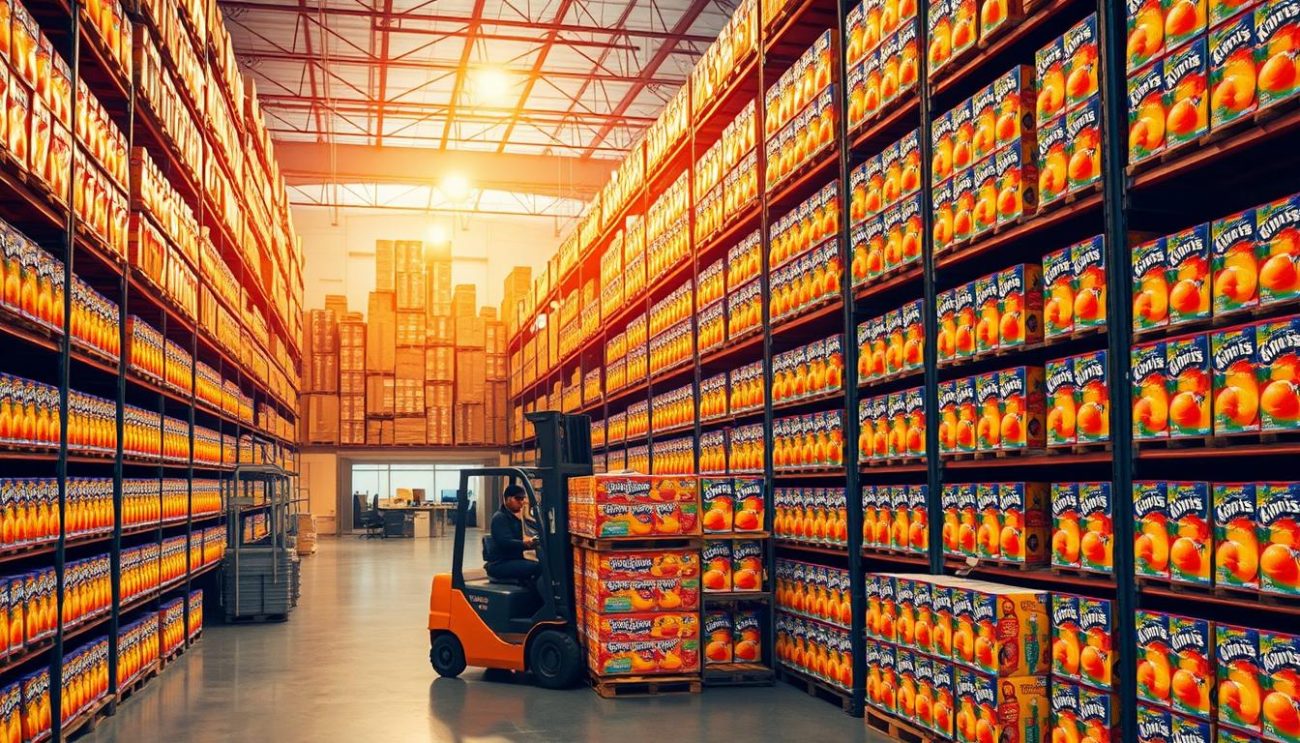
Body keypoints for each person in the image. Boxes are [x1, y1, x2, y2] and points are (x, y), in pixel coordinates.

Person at [486, 485, 541, 585]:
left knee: (542, 566)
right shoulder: (500, 518)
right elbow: (505, 542)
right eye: (518, 498)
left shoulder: (513, 518)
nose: (522, 502)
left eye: (523, 498)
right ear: (508, 499)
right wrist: (525, 543)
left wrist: (531, 542)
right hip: (500, 563)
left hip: (512, 560)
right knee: (539, 568)